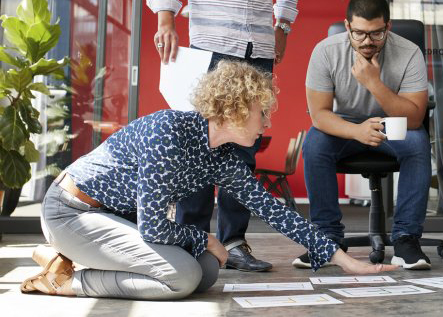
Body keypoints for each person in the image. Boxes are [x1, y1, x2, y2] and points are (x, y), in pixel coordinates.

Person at [20, 61, 394, 299]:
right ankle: (67, 281)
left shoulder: (221, 157)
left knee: (208, 271)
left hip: (114, 219)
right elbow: (153, 228)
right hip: (72, 212)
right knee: (183, 277)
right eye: (262, 113)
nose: (266, 123)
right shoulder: (169, 133)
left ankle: (66, 259)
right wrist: (208, 238)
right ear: (233, 110)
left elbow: (274, 211)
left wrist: (343, 259)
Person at [147, 0, 299, 271]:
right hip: (210, 46)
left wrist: (283, 24)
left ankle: (234, 242)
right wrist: (166, 19)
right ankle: (192, 241)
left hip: (258, 48)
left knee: (245, 149)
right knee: (199, 145)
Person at [295, 0, 433, 270]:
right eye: (359, 33)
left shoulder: (409, 52)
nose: (367, 41)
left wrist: (374, 83)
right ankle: (327, 239)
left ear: (387, 26)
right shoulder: (325, 51)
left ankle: (406, 239)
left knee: (417, 143)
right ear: (347, 26)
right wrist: (357, 131)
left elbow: (415, 117)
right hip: (345, 124)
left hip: (392, 123)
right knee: (314, 144)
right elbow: (319, 115)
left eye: (376, 33)